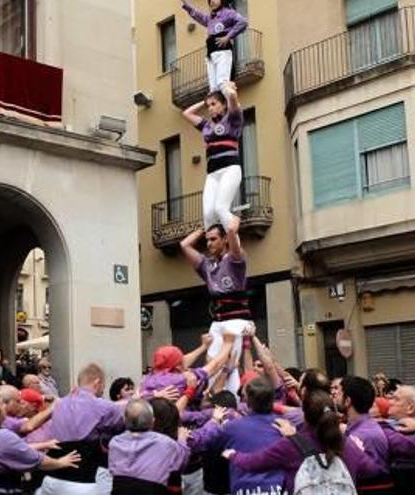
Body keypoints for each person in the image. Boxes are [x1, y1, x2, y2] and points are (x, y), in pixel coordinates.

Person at [223, 390, 380, 493]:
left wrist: (233, 455)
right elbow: (373, 470)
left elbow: (253, 462)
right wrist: (360, 451)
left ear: (304, 415)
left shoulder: (290, 445)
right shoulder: (346, 444)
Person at [0, 390, 80, 494]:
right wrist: (60, 462)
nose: (4, 407)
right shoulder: (3, 436)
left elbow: (18, 447)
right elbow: (36, 460)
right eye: (1, 404)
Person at [179, 220, 248, 393]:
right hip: (217, 320)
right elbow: (184, 245)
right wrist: (203, 228)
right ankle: (211, 399)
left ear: (225, 239)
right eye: (207, 240)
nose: (209, 243)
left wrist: (229, 222)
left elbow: (232, 230)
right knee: (210, 363)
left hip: (236, 320)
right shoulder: (207, 264)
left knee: (229, 364)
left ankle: (232, 400)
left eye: (213, 239)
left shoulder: (234, 259)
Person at [188, 377, 286, 494]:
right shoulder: (285, 426)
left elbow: (196, 442)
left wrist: (214, 421)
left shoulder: (232, 427)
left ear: (247, 400)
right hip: (278, 489)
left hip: (245, 489)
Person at [39, 363, 125, 495]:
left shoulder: (59, 404)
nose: (103, 389)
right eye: (103, 385)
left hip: (51, 478)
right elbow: (120, 432)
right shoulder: (105, 407)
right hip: (84, 480)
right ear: (97, 382)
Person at [182, 83, 244, 233]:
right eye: (208, 106)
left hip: (230, 169)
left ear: (224, 106)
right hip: (212, 174)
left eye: (214, 104)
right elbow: (187, 113)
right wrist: (204, 101)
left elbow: (233, 97)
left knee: (221, 208)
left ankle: (234, 246)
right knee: (208, 214)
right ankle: (217, 249)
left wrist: (225, 89)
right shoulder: (206, 126)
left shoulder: (233, 119)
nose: (210, 108)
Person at [108, 399, 190, 494]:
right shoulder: (166, 443)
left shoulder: (115, 442)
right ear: (153, 422)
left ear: (125, 420)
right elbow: (182, 462)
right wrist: (182, 439)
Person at [339, 376, 392, 494]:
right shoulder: (356, 428)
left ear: (347, 401)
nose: (333, 394)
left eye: (338, 391)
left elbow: (371, 473)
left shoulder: (365, 435)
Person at [180, 0, 248, 93]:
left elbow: (242, 22)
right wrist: (185, 2)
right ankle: (218, 105)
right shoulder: (210, 19)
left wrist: (228, 37)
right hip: (210, 55)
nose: (212, 1)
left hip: (223, 51)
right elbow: (196, 14)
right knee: (213, 89)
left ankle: (229, 101)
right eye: (210, 0)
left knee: (222, 83)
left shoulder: (228, 13)